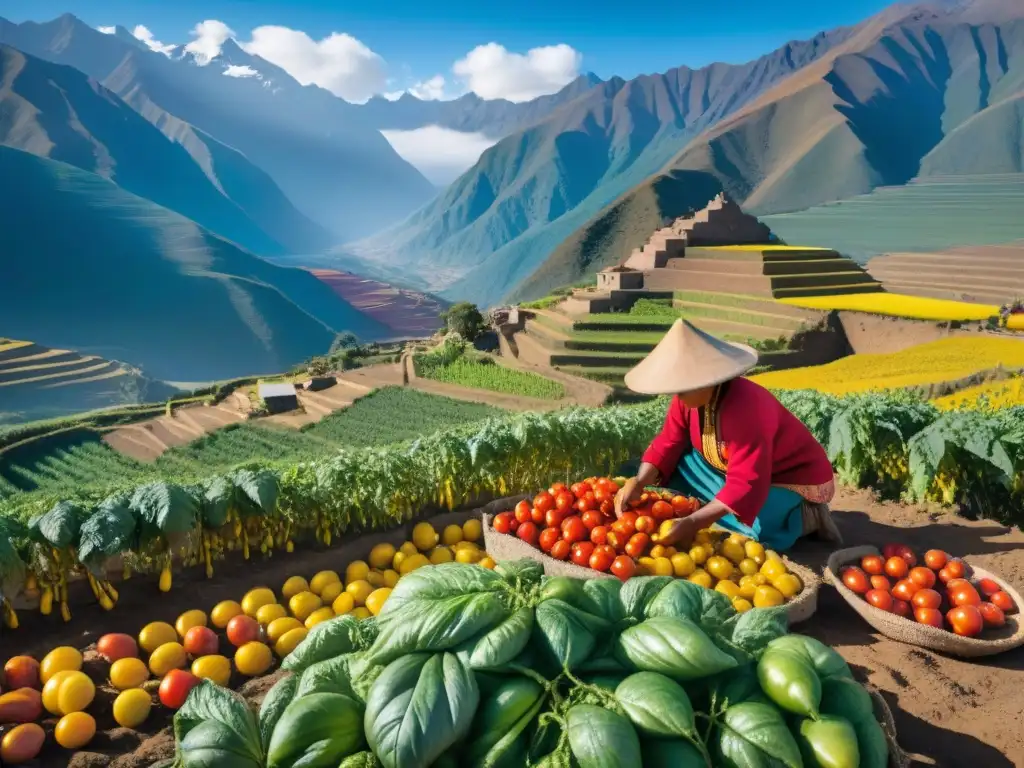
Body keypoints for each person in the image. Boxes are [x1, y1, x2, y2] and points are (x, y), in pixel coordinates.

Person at [614, 319, 841, 552]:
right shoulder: (687, 401)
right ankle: (712, 508)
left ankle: (806, 516)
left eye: (681, 389)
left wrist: (693, 523)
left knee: (756, 523)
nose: (676, 395)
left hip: (786, 478)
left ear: (705, 381)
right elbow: (669, 442)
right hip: (729, 469)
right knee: (674, 470)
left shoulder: (748, 409)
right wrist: (639, 482)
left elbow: (748, 481)